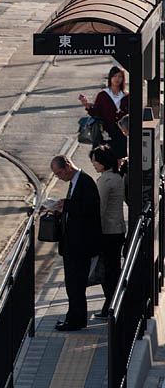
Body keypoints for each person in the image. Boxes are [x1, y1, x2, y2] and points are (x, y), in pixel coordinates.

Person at [50, 155, 102, 331]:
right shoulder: (75, 183)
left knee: (76, 284)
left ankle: (76, 320)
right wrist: (61, 210)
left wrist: (66, 205)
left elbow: (89, 209)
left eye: (59, 173)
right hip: (72, 245)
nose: (59, 177)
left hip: (81, 245)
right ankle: (72, 317)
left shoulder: (85, 182)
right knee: (72, 284)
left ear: (67, 166)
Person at [89, 146, 125, 318]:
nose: (94, 164)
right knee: (113, 269)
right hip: (117, 229)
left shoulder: (105, 180)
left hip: (107, 231)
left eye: (96, 160)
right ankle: (112, 304)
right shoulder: (117, 177)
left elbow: (99, 208)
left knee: (108, 271)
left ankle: (110, 305)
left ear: (103, 161)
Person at [79, 66, 129, 159]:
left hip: (121, 133)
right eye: (115, 76)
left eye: (120, 76)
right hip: (105, 132)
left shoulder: (126, 95)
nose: (117, 79)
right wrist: (87, 106)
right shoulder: (103, 95)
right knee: (105, 158)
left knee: (120, 158)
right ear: (110, 78)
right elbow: (96, 113)